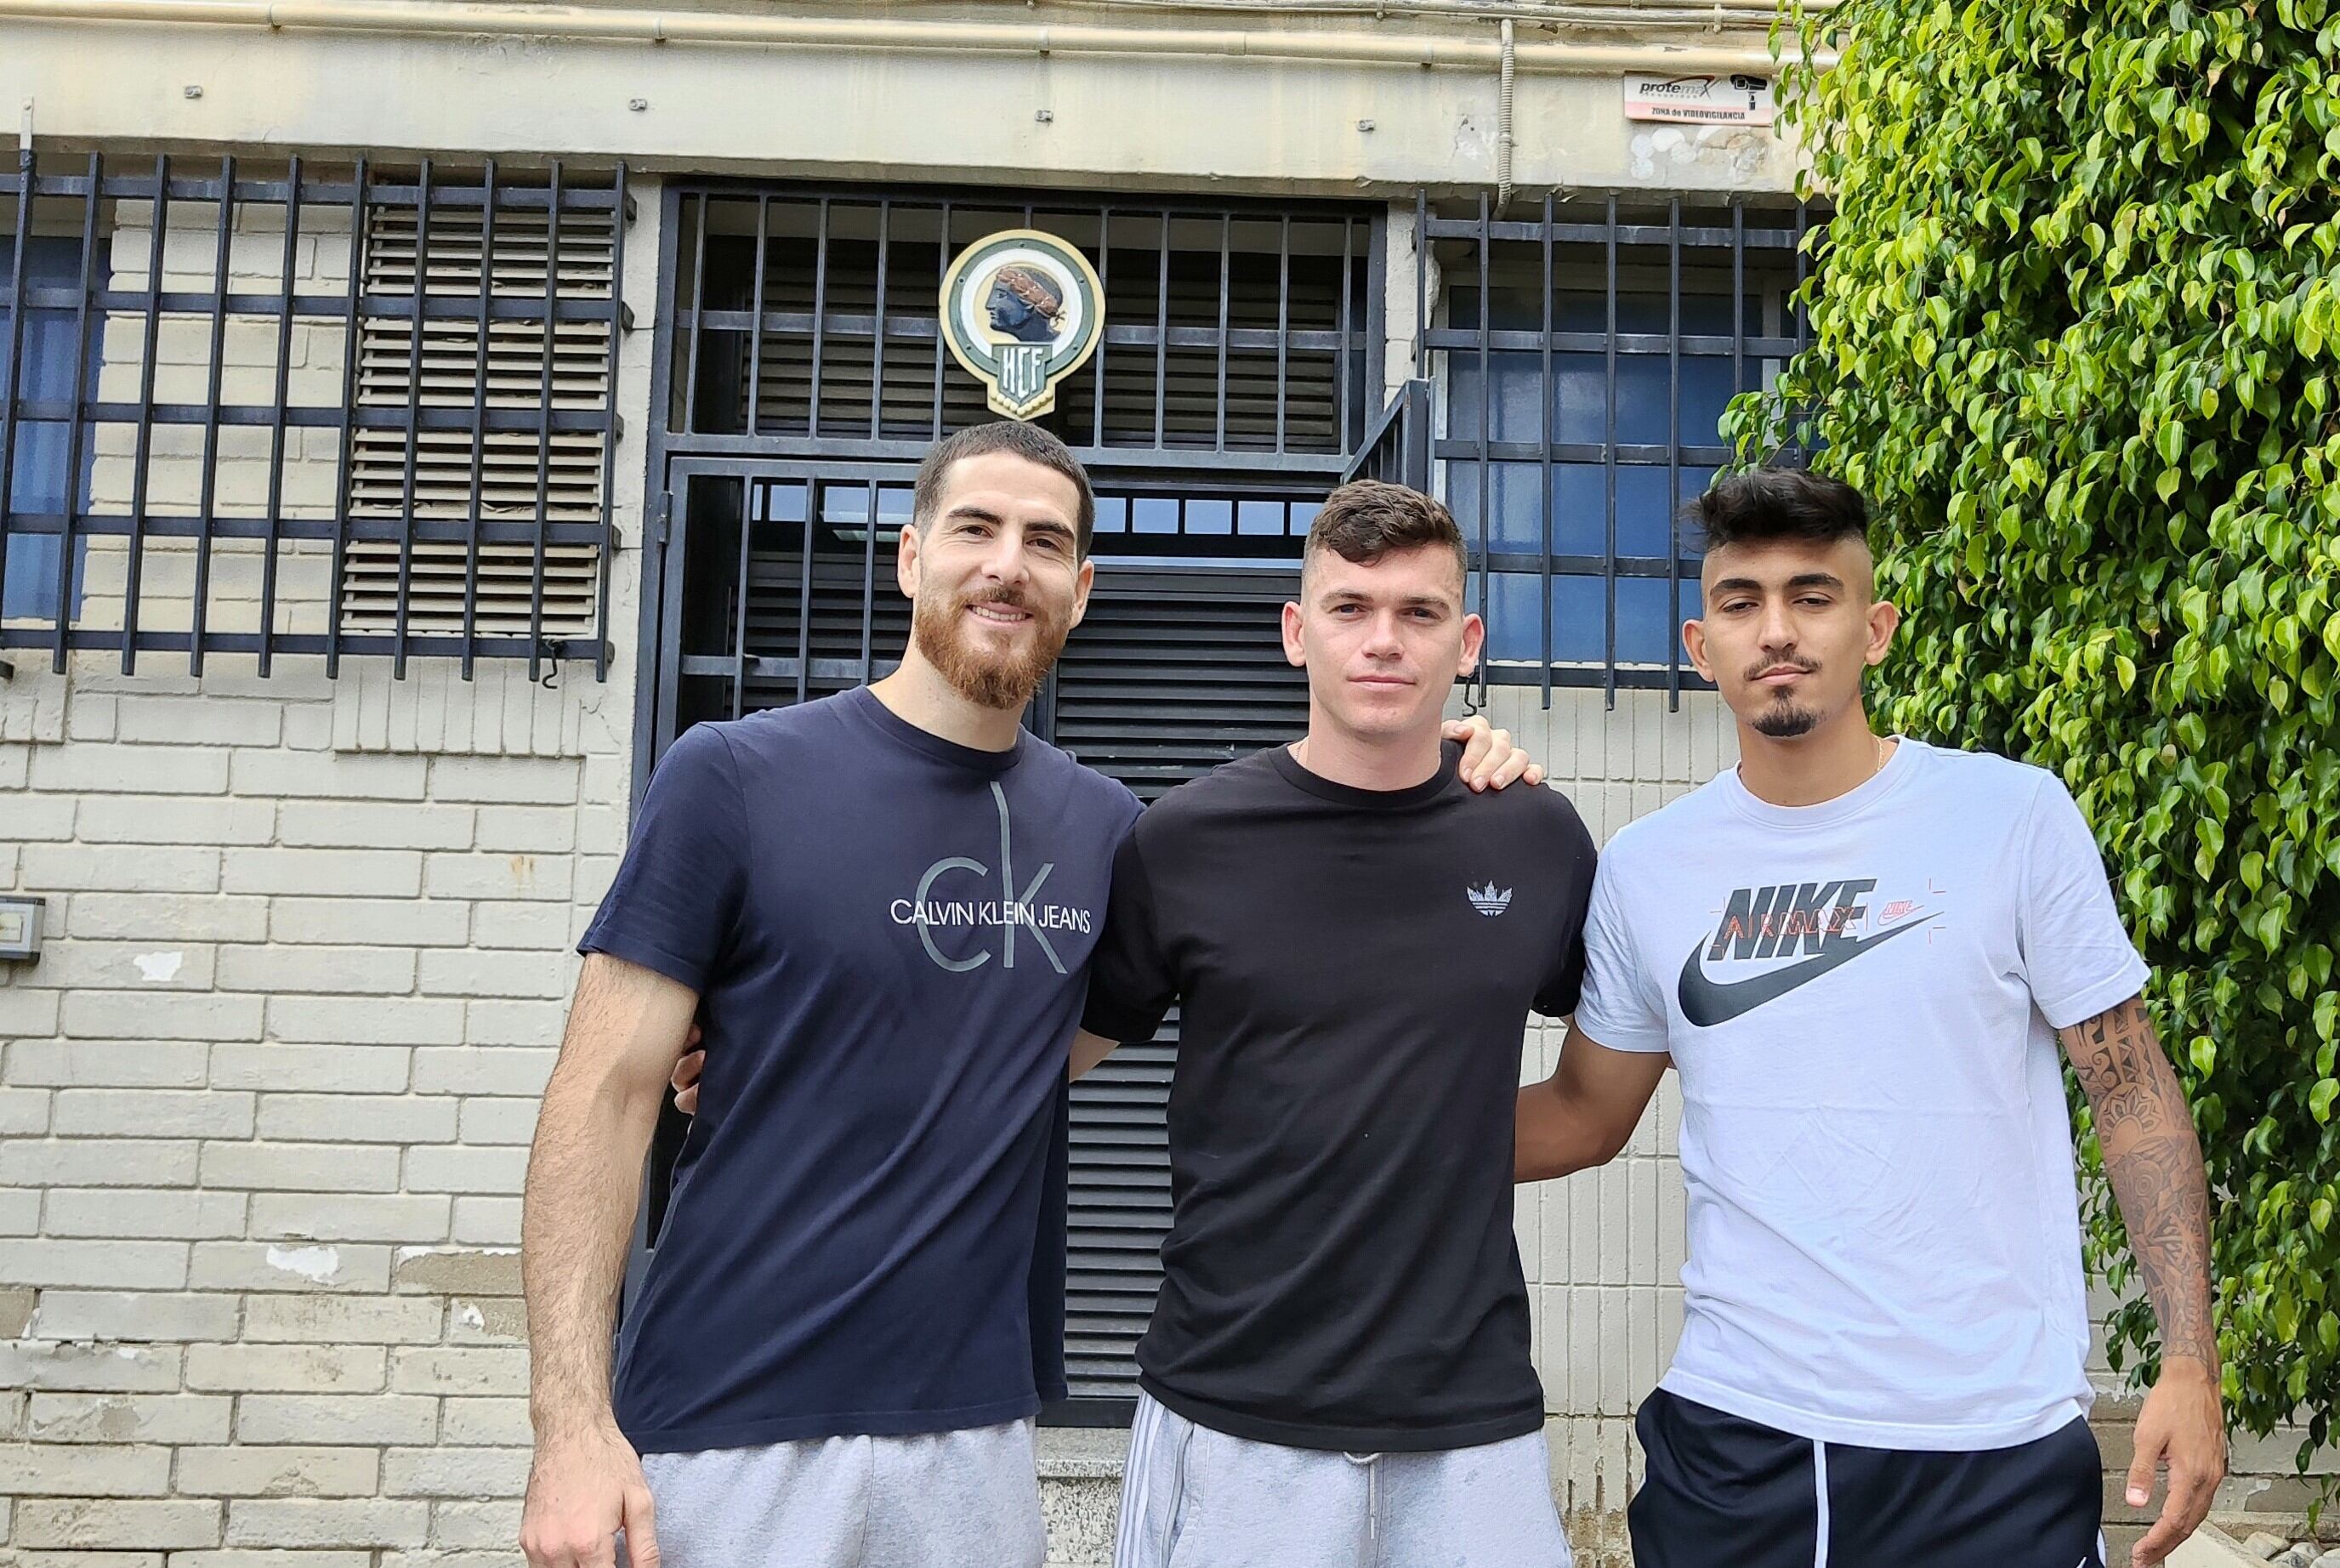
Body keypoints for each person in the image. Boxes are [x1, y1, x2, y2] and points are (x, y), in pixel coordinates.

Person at [517, 427, 1532, 1568]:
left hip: (978, 1438)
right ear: (909, 558)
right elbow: (601, 1098)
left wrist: (1443, 752)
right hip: (726, 1425)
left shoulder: (1110, 833)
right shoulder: (733, 776)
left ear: (1081, 590)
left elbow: (1048, 1042)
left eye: (1044, 541)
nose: (1009, 565)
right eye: (976, 530)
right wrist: (570, 1425)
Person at [1515, 467, 2229, 1568]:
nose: (1777, 630)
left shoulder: (2010, 818)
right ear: (1701, 647)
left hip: (1986, 1446)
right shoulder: (1650, 870)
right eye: (1742, 601)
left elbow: (2129, 1090)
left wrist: (2188, 1359)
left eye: (1812, 594)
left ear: (1875, 629)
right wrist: (1360, 1134)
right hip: (1737, 1443)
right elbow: (1581, 1114)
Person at [1082, 480, 1593, 1568]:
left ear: (1466, 644)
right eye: (1351, 607)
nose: (1383, 641)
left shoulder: (1538, 837)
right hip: (1230, 1408)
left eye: (1418, 613)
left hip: (1471, 1422)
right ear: (1294, 630)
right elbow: (1040, 1055)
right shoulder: (1183, 838)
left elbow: (1609, 1072)